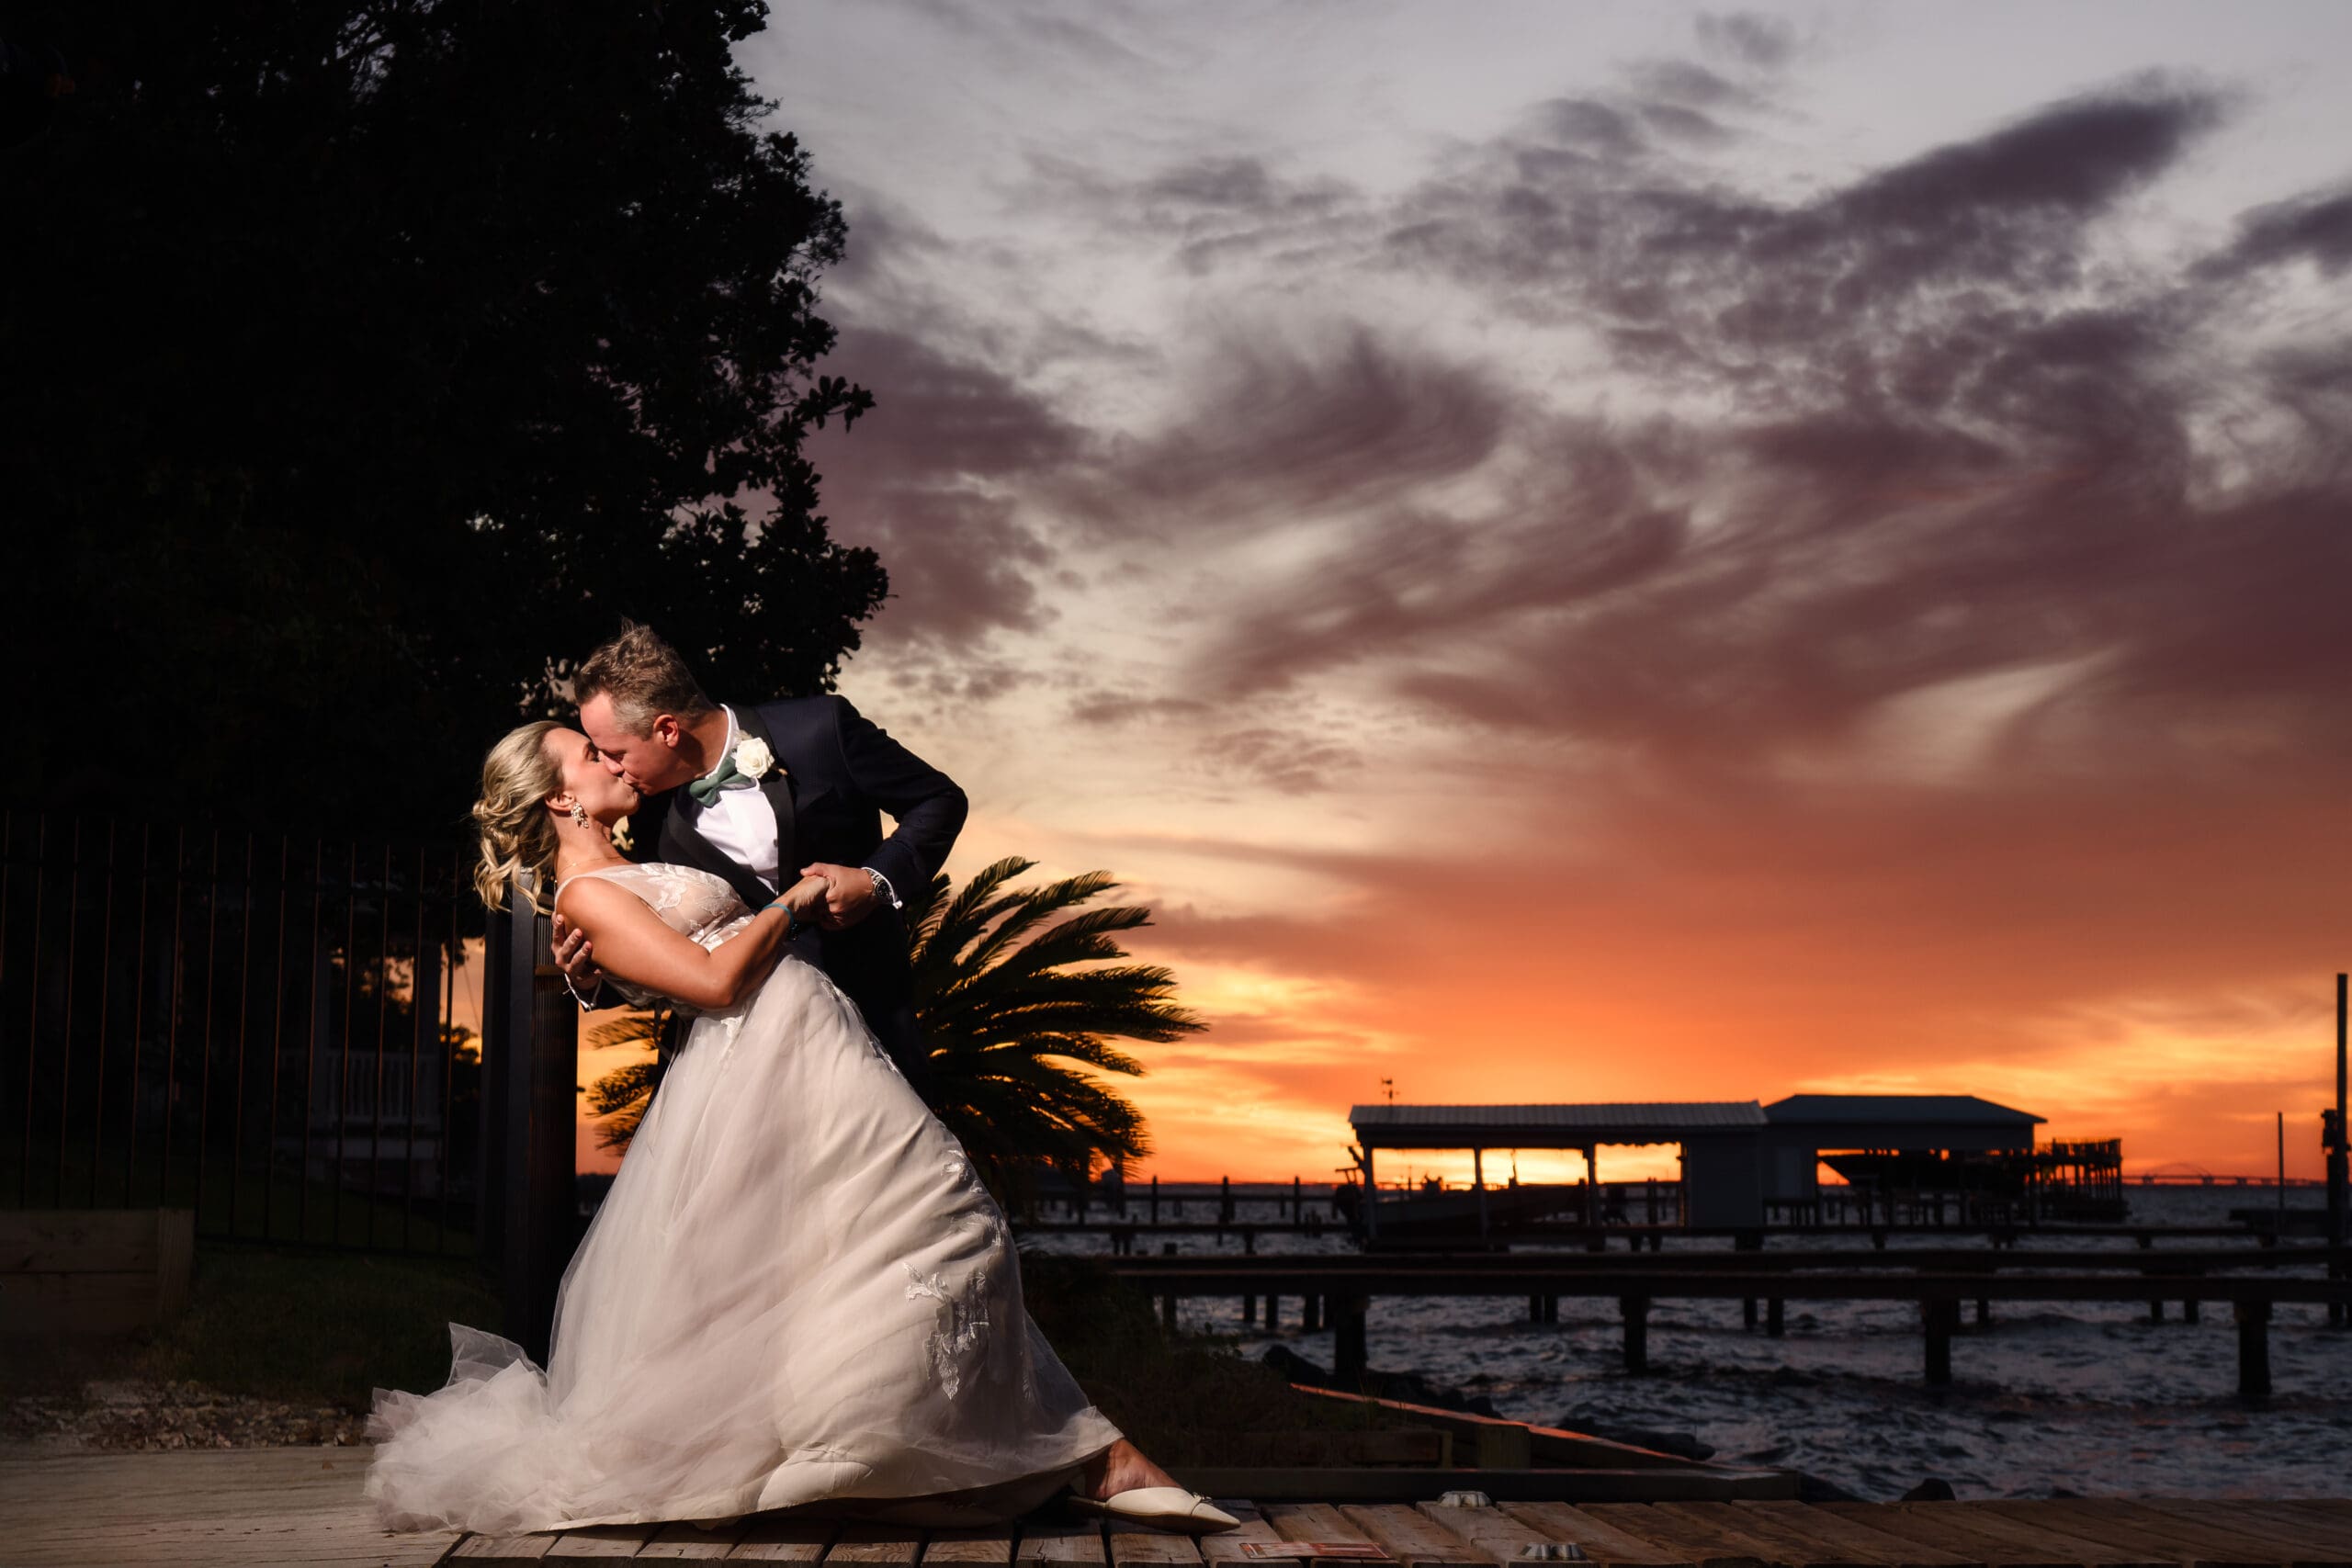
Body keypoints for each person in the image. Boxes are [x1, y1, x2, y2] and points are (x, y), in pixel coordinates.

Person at [363, 720, 1234, 1537]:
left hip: (812, 1052)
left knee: (855, 1245)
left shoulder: (632, 858)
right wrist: (798, 899)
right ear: (562, 798)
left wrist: (620, 974)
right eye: (591, 754)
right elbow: (707, 984)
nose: (614, 759)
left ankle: (879, 1444)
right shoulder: (585, 893)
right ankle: (1033, 1455)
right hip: (765, 1062)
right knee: (948, 1213)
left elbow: (659, 957)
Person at [551, 621, 955, 1103]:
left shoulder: (818, 731)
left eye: (617, 752)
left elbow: (939, 799)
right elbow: (675, 951)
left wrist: (874, 881)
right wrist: (592, 978)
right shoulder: (651, 816)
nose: (613, 768)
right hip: (744, 1071)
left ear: (666, 730)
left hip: (871, 1025)